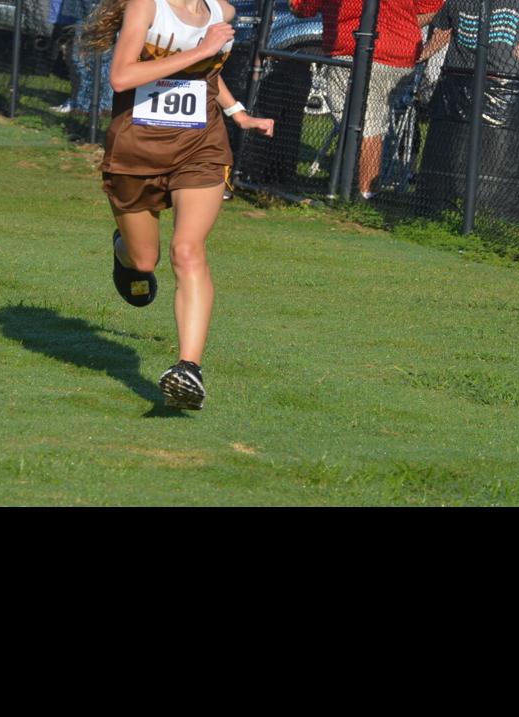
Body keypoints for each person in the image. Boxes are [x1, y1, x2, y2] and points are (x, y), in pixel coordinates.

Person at [80, 0, 275, 410]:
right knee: (145, 260)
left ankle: (189, 369)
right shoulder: (146, 7)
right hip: (136, 148)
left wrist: (238, 114)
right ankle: (124, 251)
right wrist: (202, 49)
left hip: (200, 146)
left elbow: (209, 72)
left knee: (187, 251)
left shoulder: (221, 11)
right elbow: (121, 76)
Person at [290, 0, 444, 198]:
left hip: (356, 53)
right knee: (370, 122)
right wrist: (401, 23)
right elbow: (434, 7)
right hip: (401, 56)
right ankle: (356, 182)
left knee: (365, 126)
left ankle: (365, 195)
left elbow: (301, 8)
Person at [54, 0, 115, 115]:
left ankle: (99, 105)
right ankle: (82, 103)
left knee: (101, 60)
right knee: (80, 58)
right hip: (85, 9)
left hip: (105, 10)